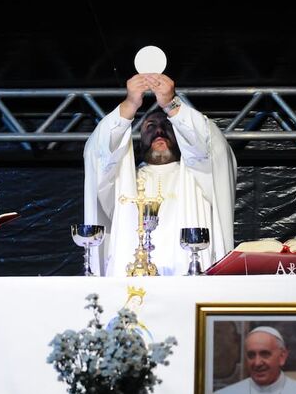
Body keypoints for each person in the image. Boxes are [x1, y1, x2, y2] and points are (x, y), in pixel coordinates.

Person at [83, 73, 236, 277]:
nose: (159, 132)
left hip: (188, 283)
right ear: (138, 141)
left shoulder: (199, 174)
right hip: (130, 282)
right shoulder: (122, 179)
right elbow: (97, 154)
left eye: (168, 126)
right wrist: (129, 105)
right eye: (150, 126)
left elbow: (213, 146)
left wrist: (172, 105)